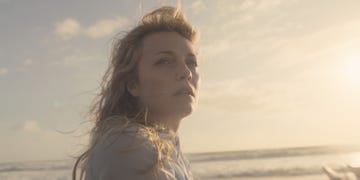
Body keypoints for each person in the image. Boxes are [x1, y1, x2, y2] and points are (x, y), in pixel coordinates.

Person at [71, 6, 200, 180]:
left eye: (191, 62)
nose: (186, 72)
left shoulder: (169, 149)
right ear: (132, 84)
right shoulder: (128, 144)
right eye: (164, 61)